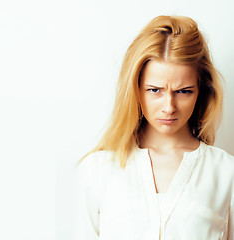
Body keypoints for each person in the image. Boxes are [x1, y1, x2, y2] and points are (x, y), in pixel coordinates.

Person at [74, 15, 234, 240]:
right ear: (136, 89)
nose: (169, 107)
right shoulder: (97, 170)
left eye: (184, 91)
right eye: (155, 90)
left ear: (201, 90)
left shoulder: (226, 173)